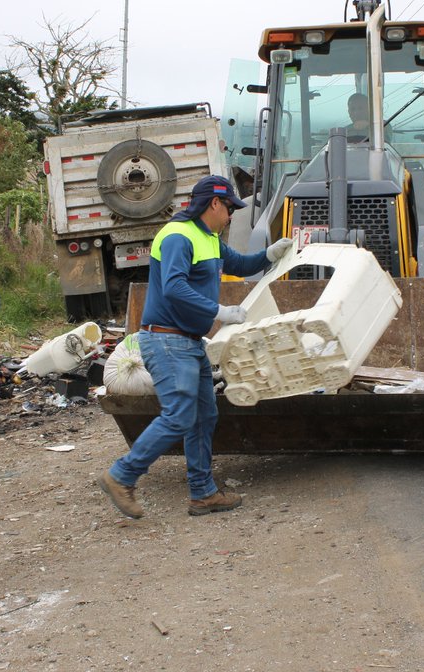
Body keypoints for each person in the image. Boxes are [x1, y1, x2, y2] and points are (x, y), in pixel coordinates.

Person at [97, 176, 294, 519]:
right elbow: (173, 287)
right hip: (167, 340)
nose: (232, 215)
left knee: (204, 415)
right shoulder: (177, 236)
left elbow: (239, 265)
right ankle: (122, 475)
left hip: (188, 342)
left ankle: (202, 494)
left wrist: (269, 254)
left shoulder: (209, 239)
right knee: (179, 415)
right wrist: (218, 311)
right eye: (229, 207)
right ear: (214, 204)